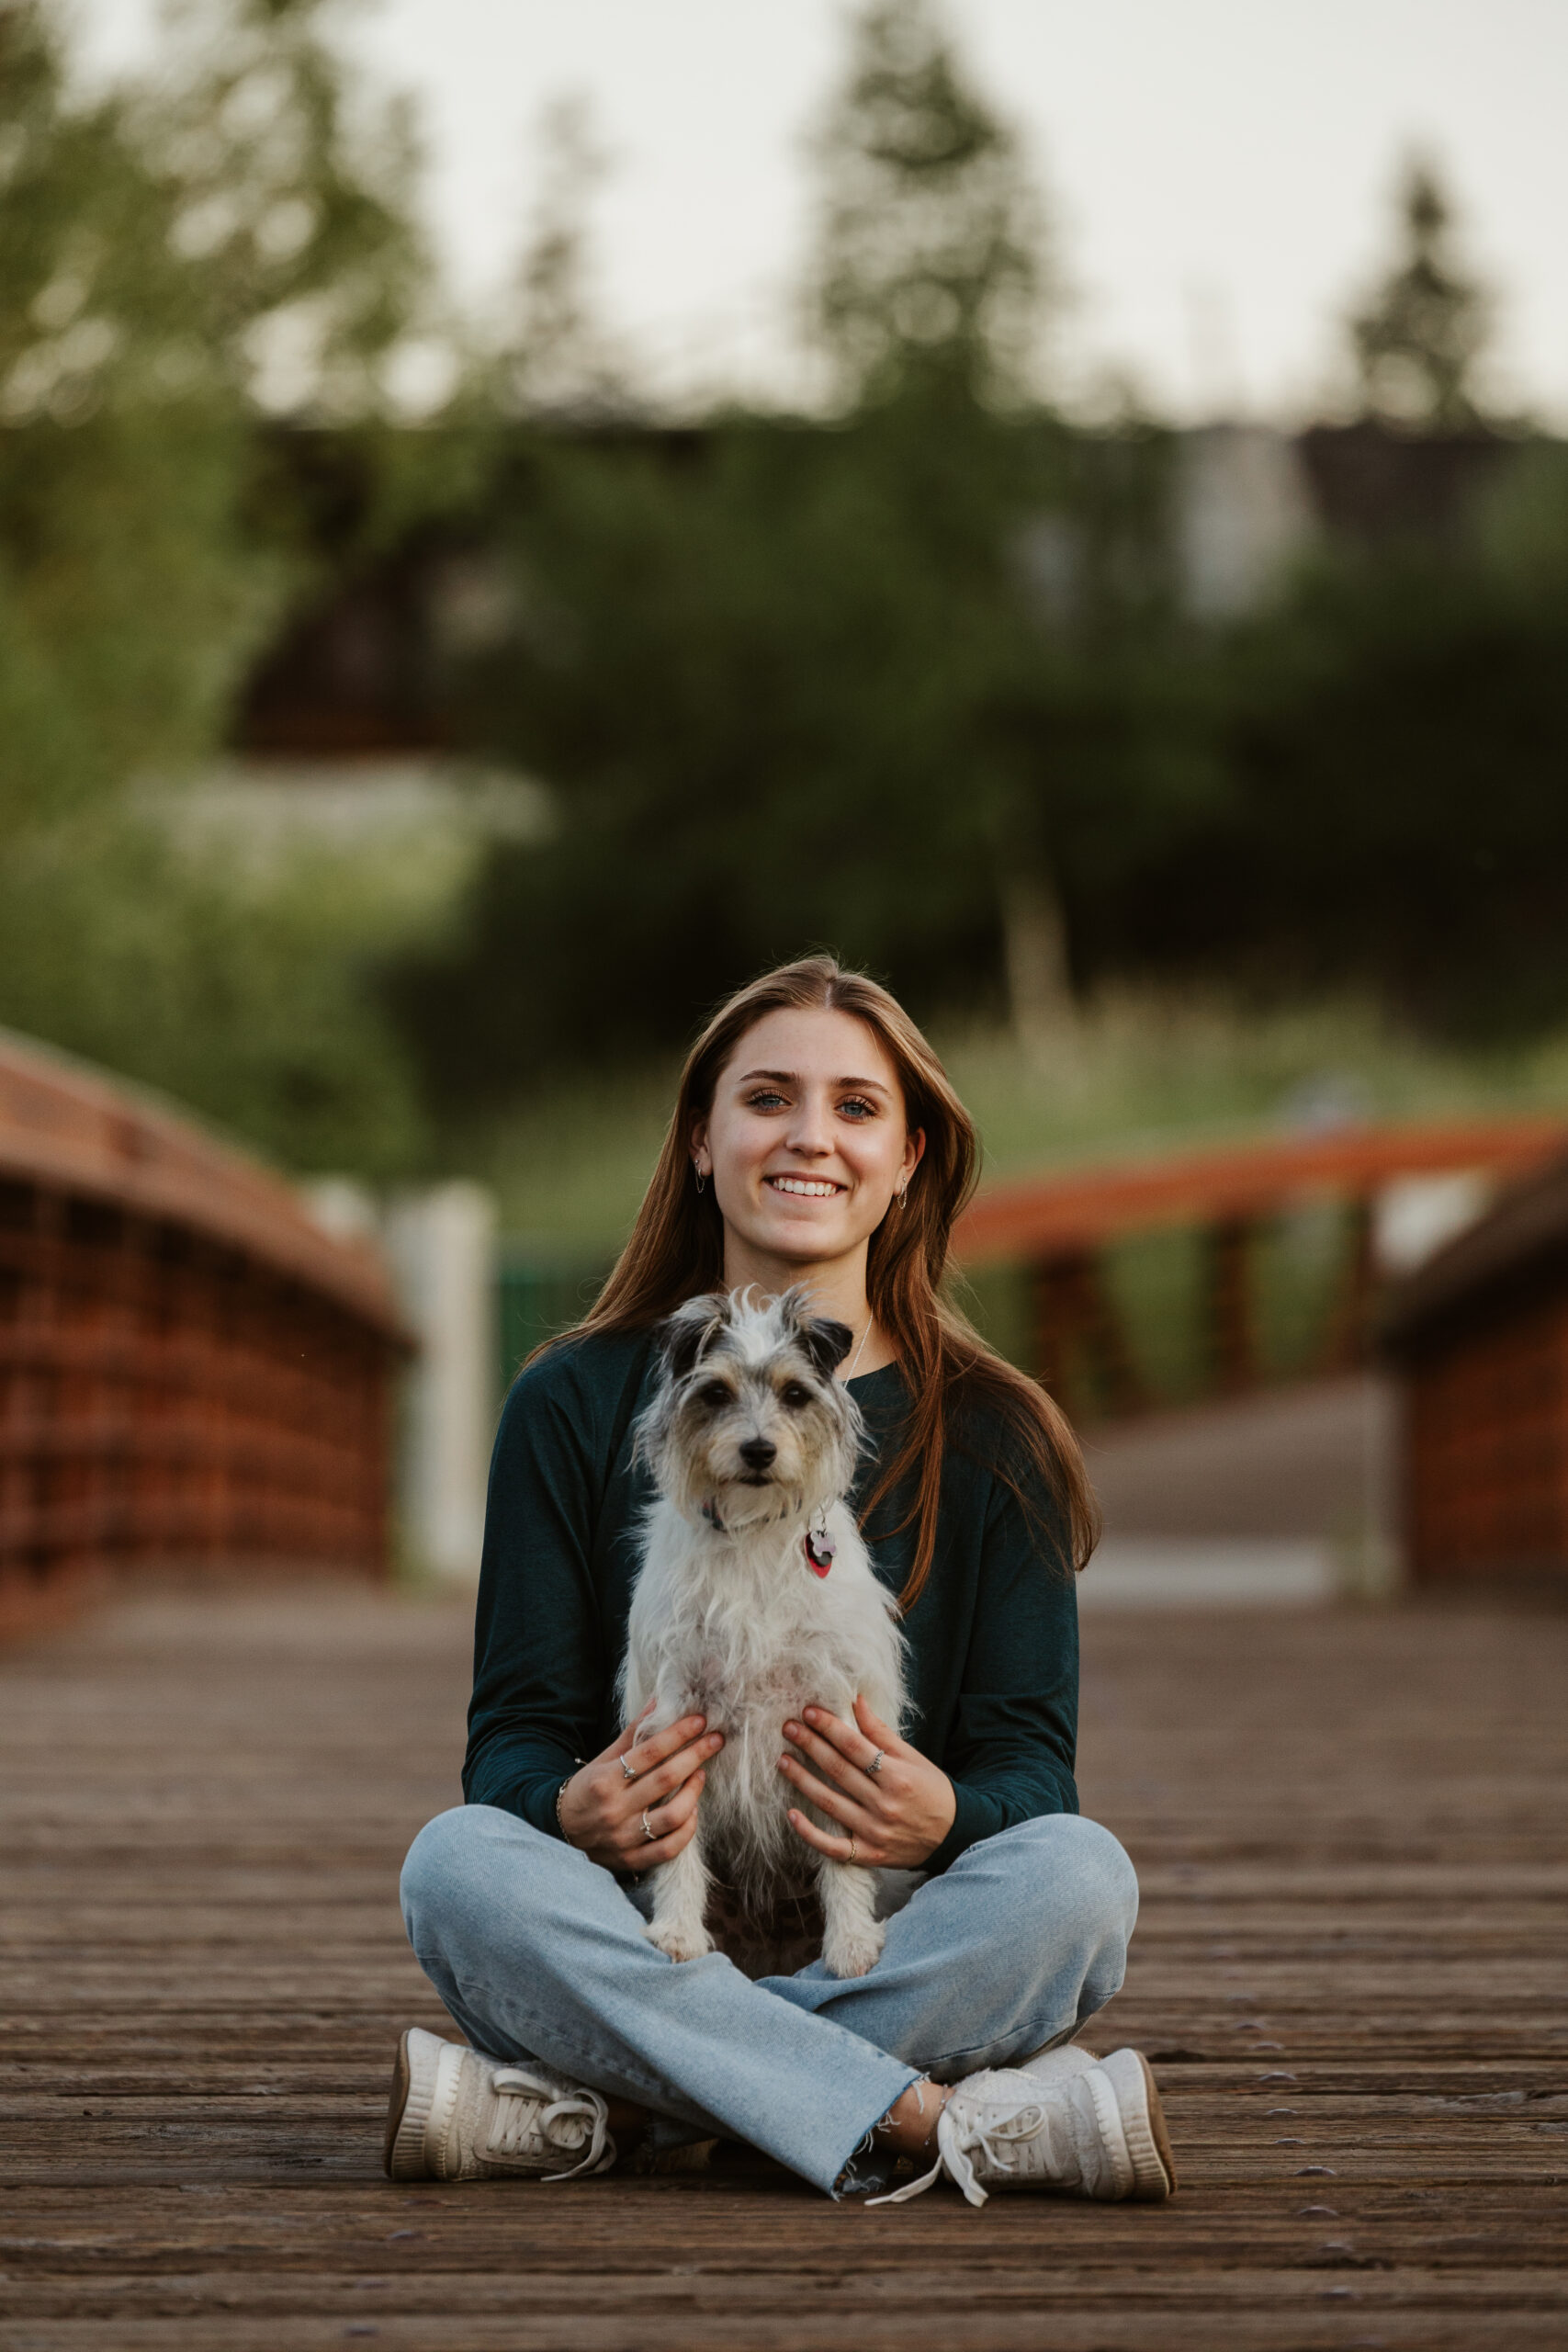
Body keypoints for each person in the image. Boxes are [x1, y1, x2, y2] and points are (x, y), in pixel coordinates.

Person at [388, 956, 1176, 2206]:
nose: (811, 1137)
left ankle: (619, 2109)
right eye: (767, 1099)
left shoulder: (995, 1433)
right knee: (457, 1864)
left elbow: (1032, 1767)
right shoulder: (570, 1402)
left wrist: (947, 1819)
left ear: (910, 1155)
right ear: (702, 1139)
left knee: (1078, 1882)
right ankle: (916, 2113)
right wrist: (571, 1808)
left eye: (857, 1107)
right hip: (651, 1919)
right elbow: (511, 1747)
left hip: (876, 1929)